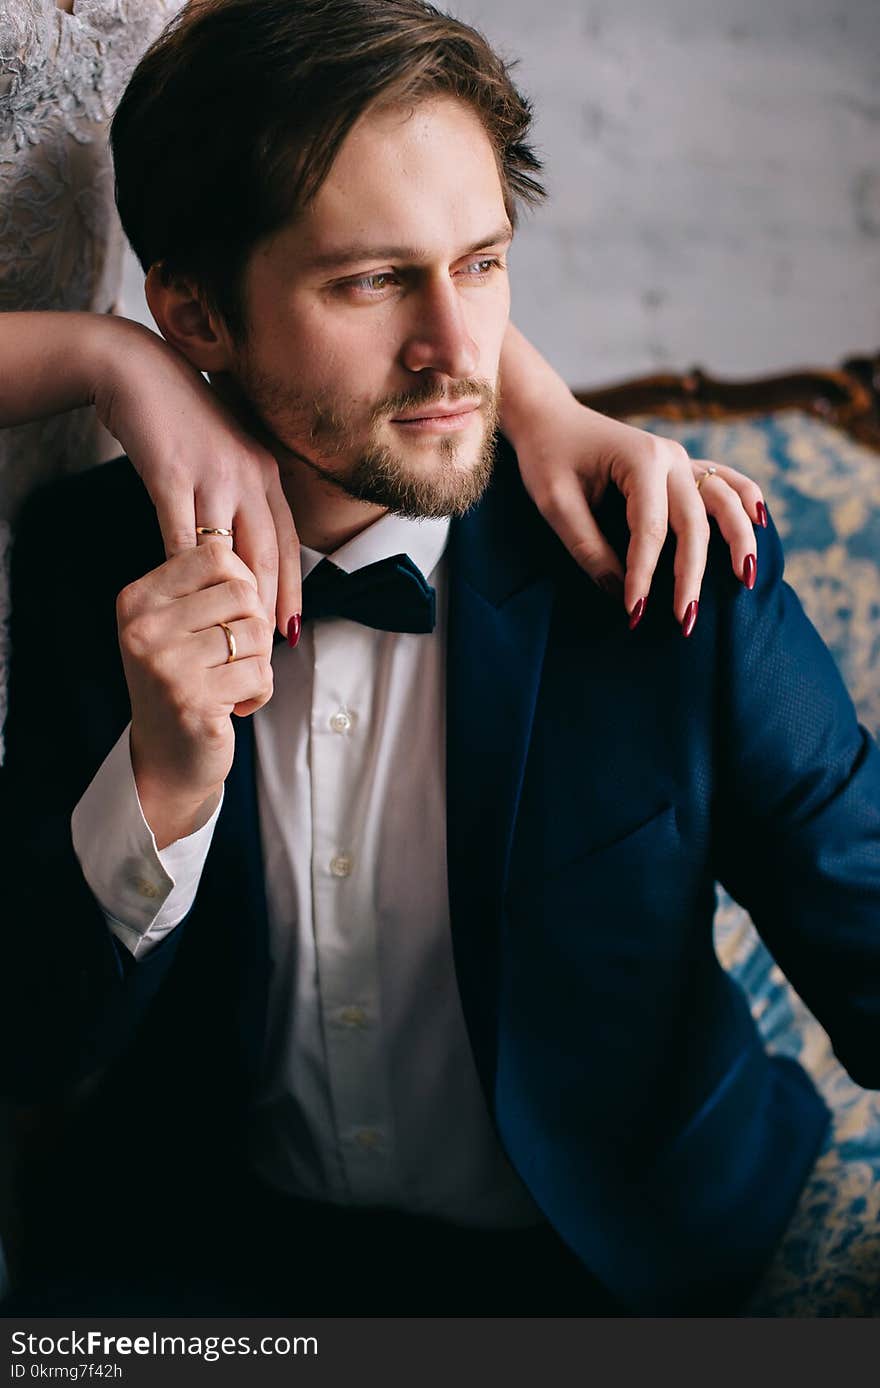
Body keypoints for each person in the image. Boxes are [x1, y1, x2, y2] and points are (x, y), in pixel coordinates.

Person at [3, 0, 877, 1317]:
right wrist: (164, 790)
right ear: (193, 316)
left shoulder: (665, 559)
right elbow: (32, 1041)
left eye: (482, 263)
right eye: (369, 282)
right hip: (212, 1275)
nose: (458, 352)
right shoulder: (86, 564)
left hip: (615, 1266)